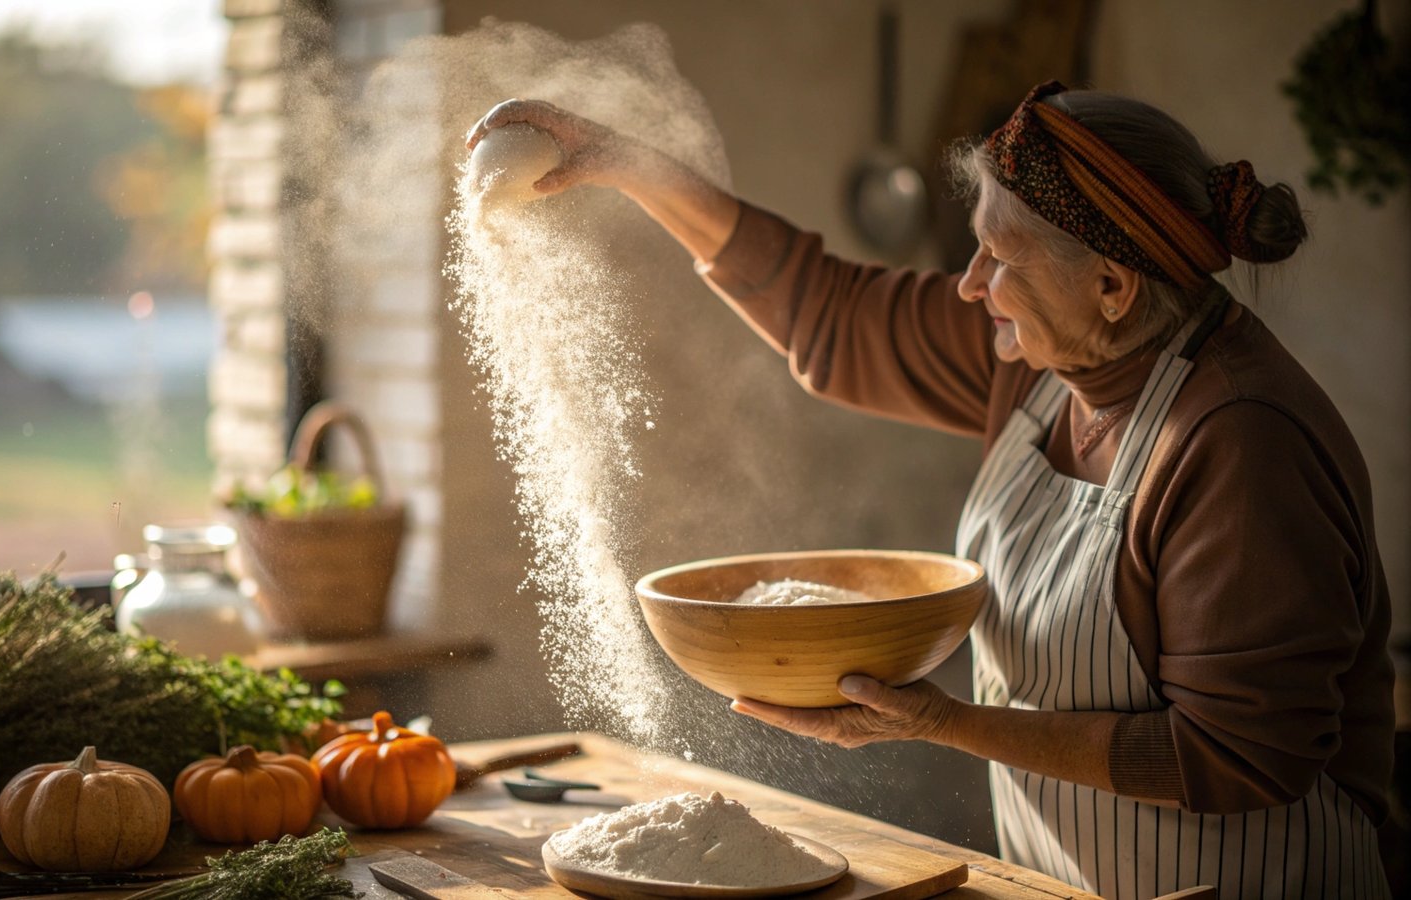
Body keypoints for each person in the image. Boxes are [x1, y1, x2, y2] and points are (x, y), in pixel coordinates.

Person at [466, 81, 1395, 900]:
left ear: (1111, 285)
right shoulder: (1047, 357)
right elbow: (828, 313)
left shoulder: (1241, 445)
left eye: (999, 256)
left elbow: (1239, 758)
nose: (969, 284)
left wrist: (941, 723)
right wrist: (626, 164)